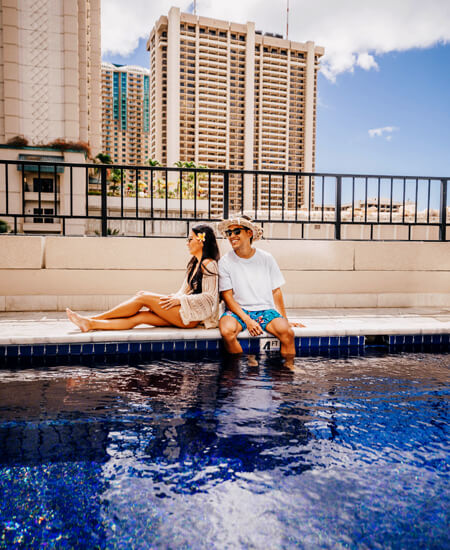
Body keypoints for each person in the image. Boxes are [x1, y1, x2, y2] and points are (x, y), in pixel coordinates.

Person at [66, 224, 220, 332]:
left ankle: (95, 317)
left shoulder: (209, 264)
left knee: (142, 296)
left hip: (191, 316)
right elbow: (184, 291)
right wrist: (175, 298)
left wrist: (180, 300)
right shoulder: (194, 264)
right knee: (140, 317)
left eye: (190, 239)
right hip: (185, 312)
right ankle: (90, 324)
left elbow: (210, 298)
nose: (187, 243)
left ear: (201, 241)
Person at [218, 215, 304, 357]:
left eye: (237, 231)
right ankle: (238, 367)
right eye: (229, 232)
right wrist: (248, 320)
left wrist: (284, 319)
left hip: (265, 310)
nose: (232, 236)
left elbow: (276, 291)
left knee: (287, 333)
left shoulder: (266, 258)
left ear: (249, 233)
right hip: (238, 311)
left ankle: (288, 368)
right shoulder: (225, 262)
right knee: (227, 332)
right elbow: (227, 297)